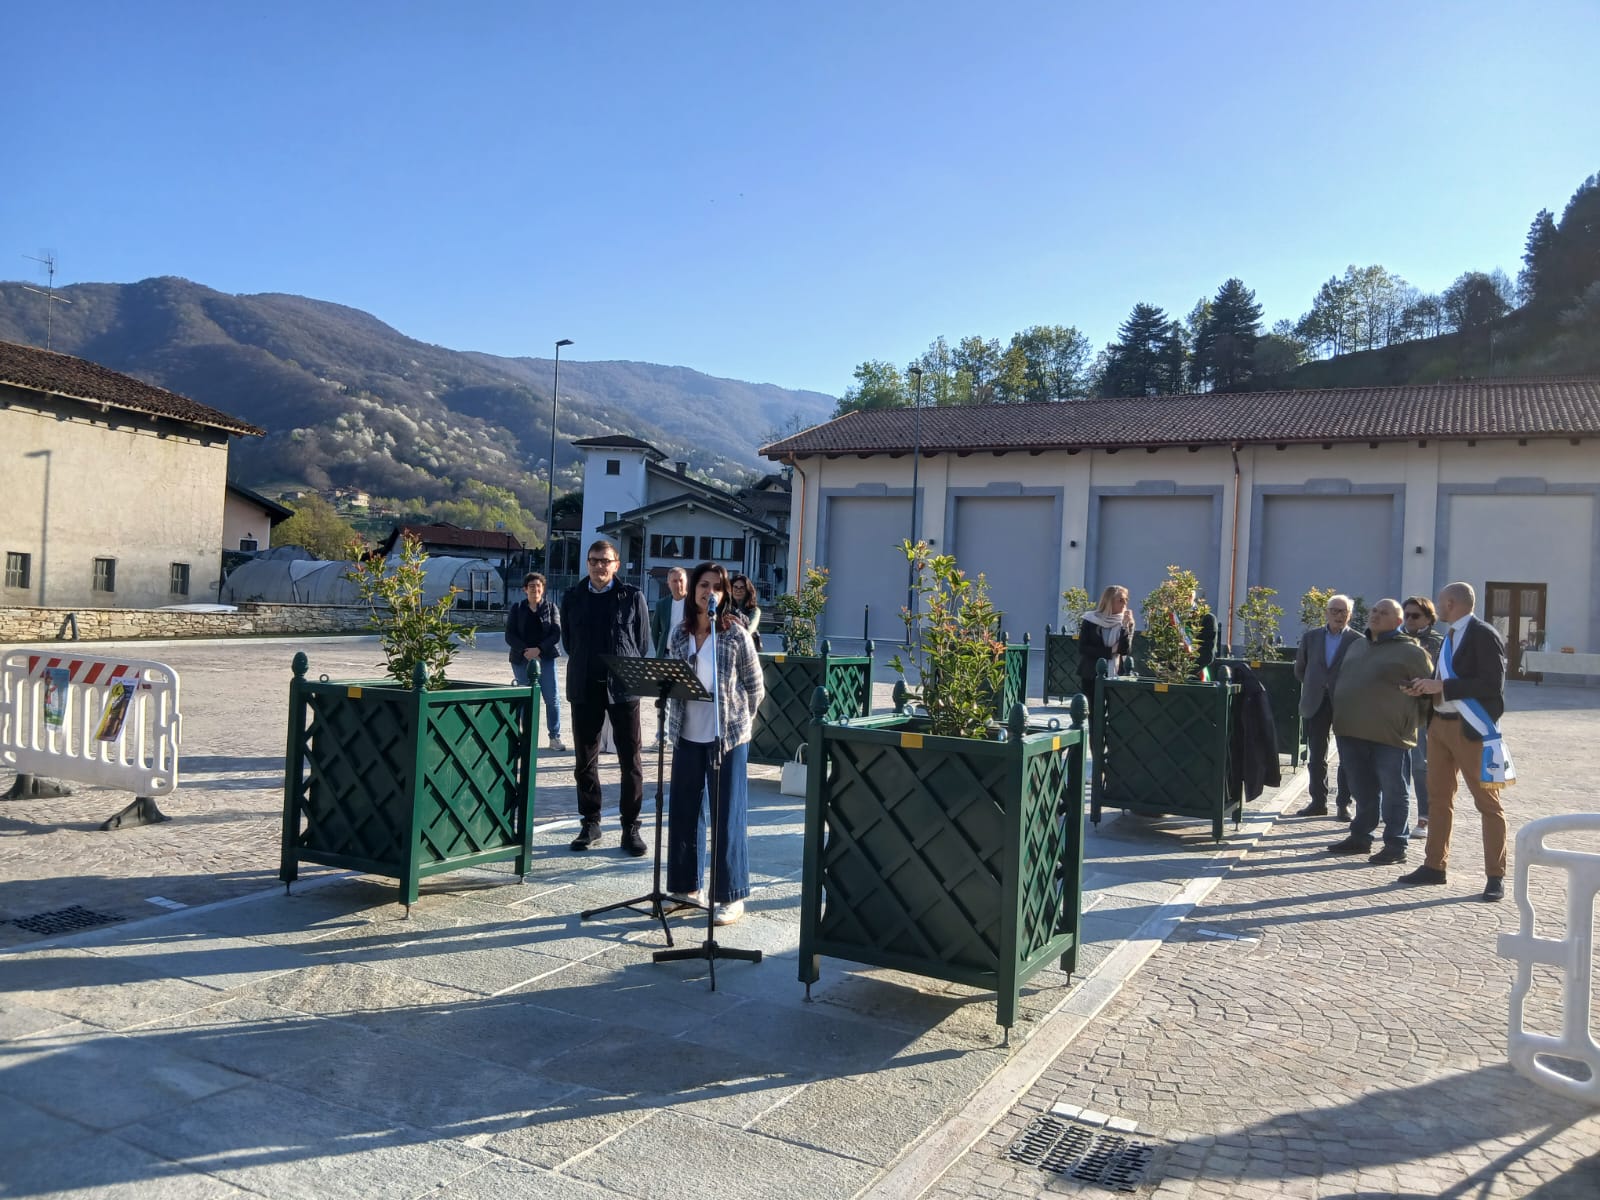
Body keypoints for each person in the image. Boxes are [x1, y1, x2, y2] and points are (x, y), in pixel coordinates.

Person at [664, 561, 765, 926]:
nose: (710, 592)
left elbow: (755, 687)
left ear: (723, 595)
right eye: (704, 585)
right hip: (687, 732)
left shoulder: (735, 634)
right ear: (693, 590)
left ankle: (731, 895)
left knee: (728, 814)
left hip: (727, 737)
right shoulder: (679, 634)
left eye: (717, 587)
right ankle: (687, 888)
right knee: (685, 811)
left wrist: (738, 723)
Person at [1399, 582, 1513, 900]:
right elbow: (1445, 680)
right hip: (1439, 726)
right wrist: (1424, 687)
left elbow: (1492, 684)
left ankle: (1495, 875)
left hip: (1470, 728)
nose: (1437, 607)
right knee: (1438, 799)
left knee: (1488, 804)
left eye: (1440, 602)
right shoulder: (1449, 636)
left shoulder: (1483, 633)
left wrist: (1443, 687)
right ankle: (1434, 865)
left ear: (1451, 603)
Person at [558, 539, 652, 855]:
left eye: (605, 561)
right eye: (594, 560)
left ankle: (631, 827)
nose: (599, 566)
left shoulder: (632, 597)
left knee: (631, 760)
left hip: (623, 688)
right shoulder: (572, 597)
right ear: (587, 563)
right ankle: (590, 822)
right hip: (585, 687)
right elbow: (569, 642)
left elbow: (641, 643)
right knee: (585, 760)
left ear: (616, 564)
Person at [1325, 599, 1433, 865]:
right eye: (1374, 610)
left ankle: (1396, 844)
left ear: (1398, 622)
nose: (1375, 615)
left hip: (1390, 735)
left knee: (1394, 791)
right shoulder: (1357, 645)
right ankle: (1361, 836)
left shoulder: (1412, 652)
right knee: (1362, 789)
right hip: (1351, 730)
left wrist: (1408, 721)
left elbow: (1427, 694)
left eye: (1384, 612)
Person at [1293, 594, 1360, 819]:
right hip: (1316, 702)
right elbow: (1300, 669)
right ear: (1326, 613)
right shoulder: (1311, 637)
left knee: (1346, 755)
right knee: (1316, 755)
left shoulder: (1358, 640)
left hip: (1345, 704)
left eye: (1343, 611)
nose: (1338, 615)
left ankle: (1343, 804)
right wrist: (1316, 685)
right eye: (1334, 611)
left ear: (1350, 615)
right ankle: (1318, 801)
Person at [505, 572, 564, 752]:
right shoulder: (517, 609)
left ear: (543, 589)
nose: (535, 590)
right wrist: (526, 651)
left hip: (545, 658)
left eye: (538, 586)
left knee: (552, 698)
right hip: (521, 659)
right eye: (531, 587)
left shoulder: (551, 608)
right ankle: (527, 738)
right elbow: (509, 635)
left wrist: (539, 649)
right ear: (525, 589)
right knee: (526, 699)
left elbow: (556, 633)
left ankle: (554, 737)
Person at [1401, 595, 1445, 833]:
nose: (1409, 619)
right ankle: (1395, 815)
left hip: (1422, 711)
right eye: (1406, 615)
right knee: (1394, 763)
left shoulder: (1438, 642)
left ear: (1428, 618)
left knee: (1419, 764)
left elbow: (1438, 675)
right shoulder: (1397, 639)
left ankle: (1424, 816)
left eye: (1415, 616)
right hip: (1396, 709)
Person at [1078, 585, 1134, 712]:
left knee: (1115, 712)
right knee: (1093, 711)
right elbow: (1083, 648)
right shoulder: (1091, 619)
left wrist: (1125, 627)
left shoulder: (1126, 621)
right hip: (1091, 673)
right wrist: (1109, 651)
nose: (1124, 604)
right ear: (1109, 602)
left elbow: (1125, 650)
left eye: (1126, 600)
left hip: (1116, 673)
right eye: (1120, 600)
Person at [651, 567, 689, 657]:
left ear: (686, 582)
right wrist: (660, 651)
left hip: (687, 656)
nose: (678, 584)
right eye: (674, 581)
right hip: (666, 655)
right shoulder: (662, 604)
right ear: (668, 583)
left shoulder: (694, 603)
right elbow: (655, 632)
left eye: (681, 580)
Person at [729, 572, 762, 649]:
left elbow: (749, 630)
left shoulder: (755, 611)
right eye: (735, 587)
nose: (738, 590)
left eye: (742, 587)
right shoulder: (725, 609)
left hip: (748, 648)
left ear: (747, 590)